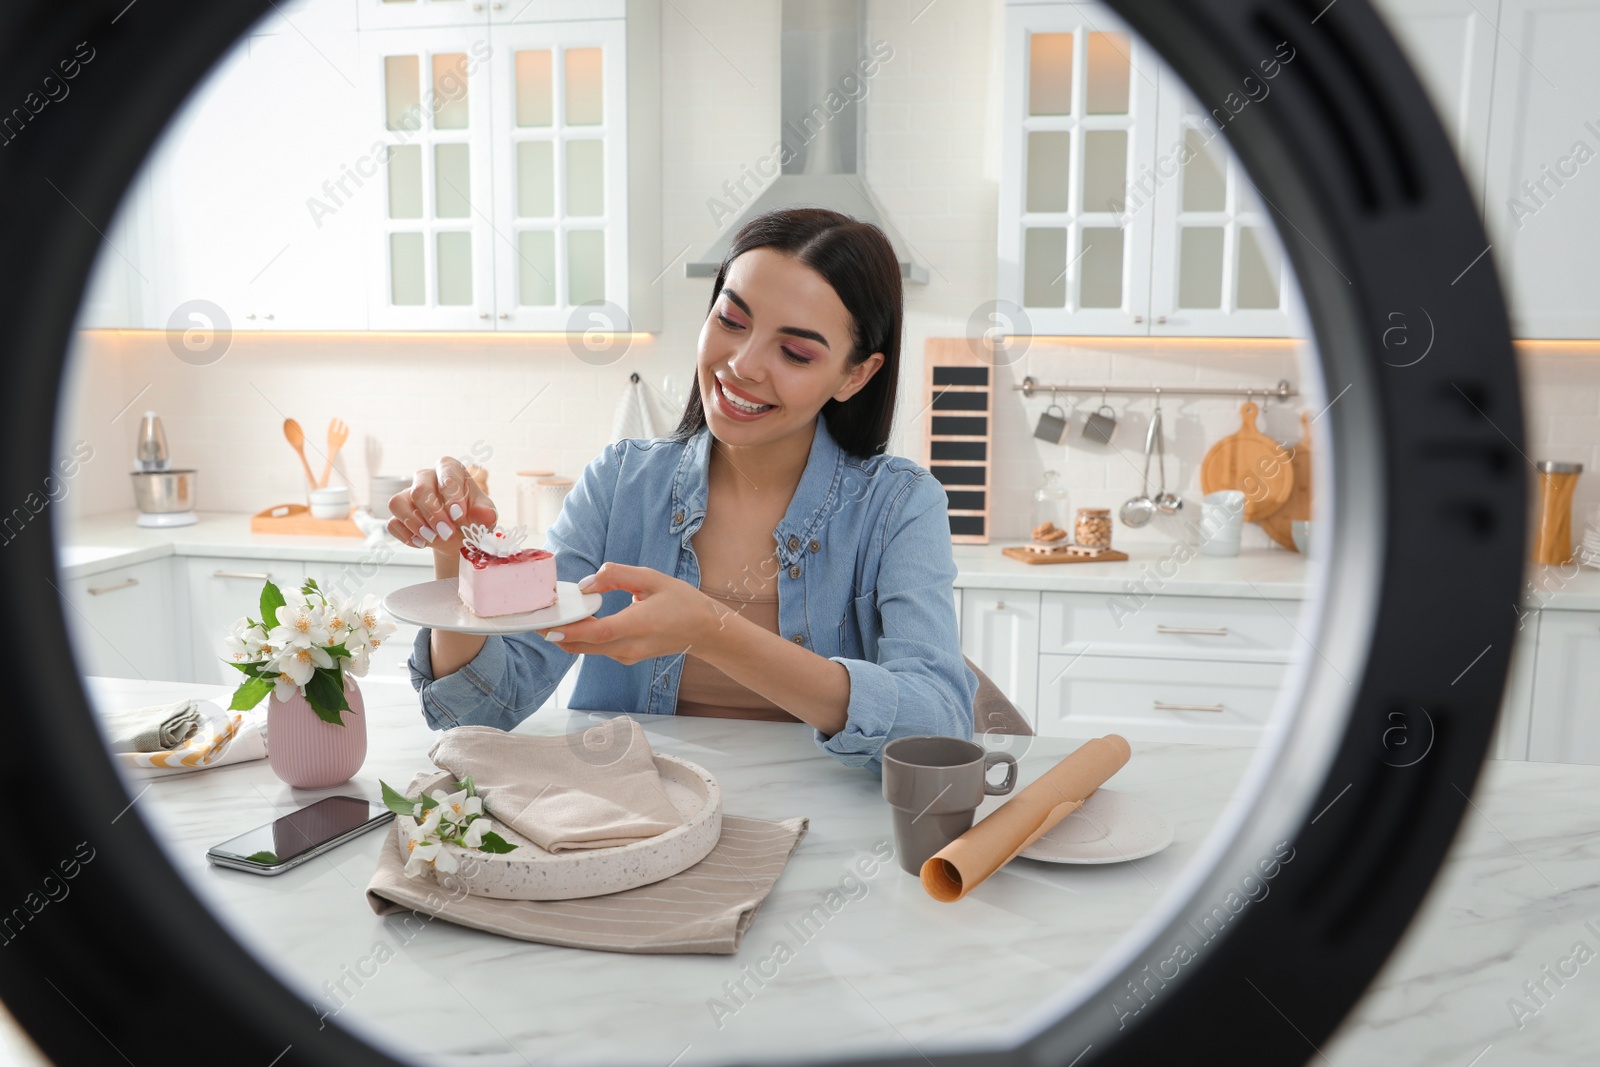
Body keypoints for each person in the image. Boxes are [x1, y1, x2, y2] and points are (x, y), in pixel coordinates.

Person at [387, 207, 977, 776]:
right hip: (636, 817)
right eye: (731, 321)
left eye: (794, 352)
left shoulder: (898, 505)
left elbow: (941, 729)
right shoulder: (621, 484)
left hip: (827, 829)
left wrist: (711, 631)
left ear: (856, 375)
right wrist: (458, 557)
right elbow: (481, 711)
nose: (742, 365)